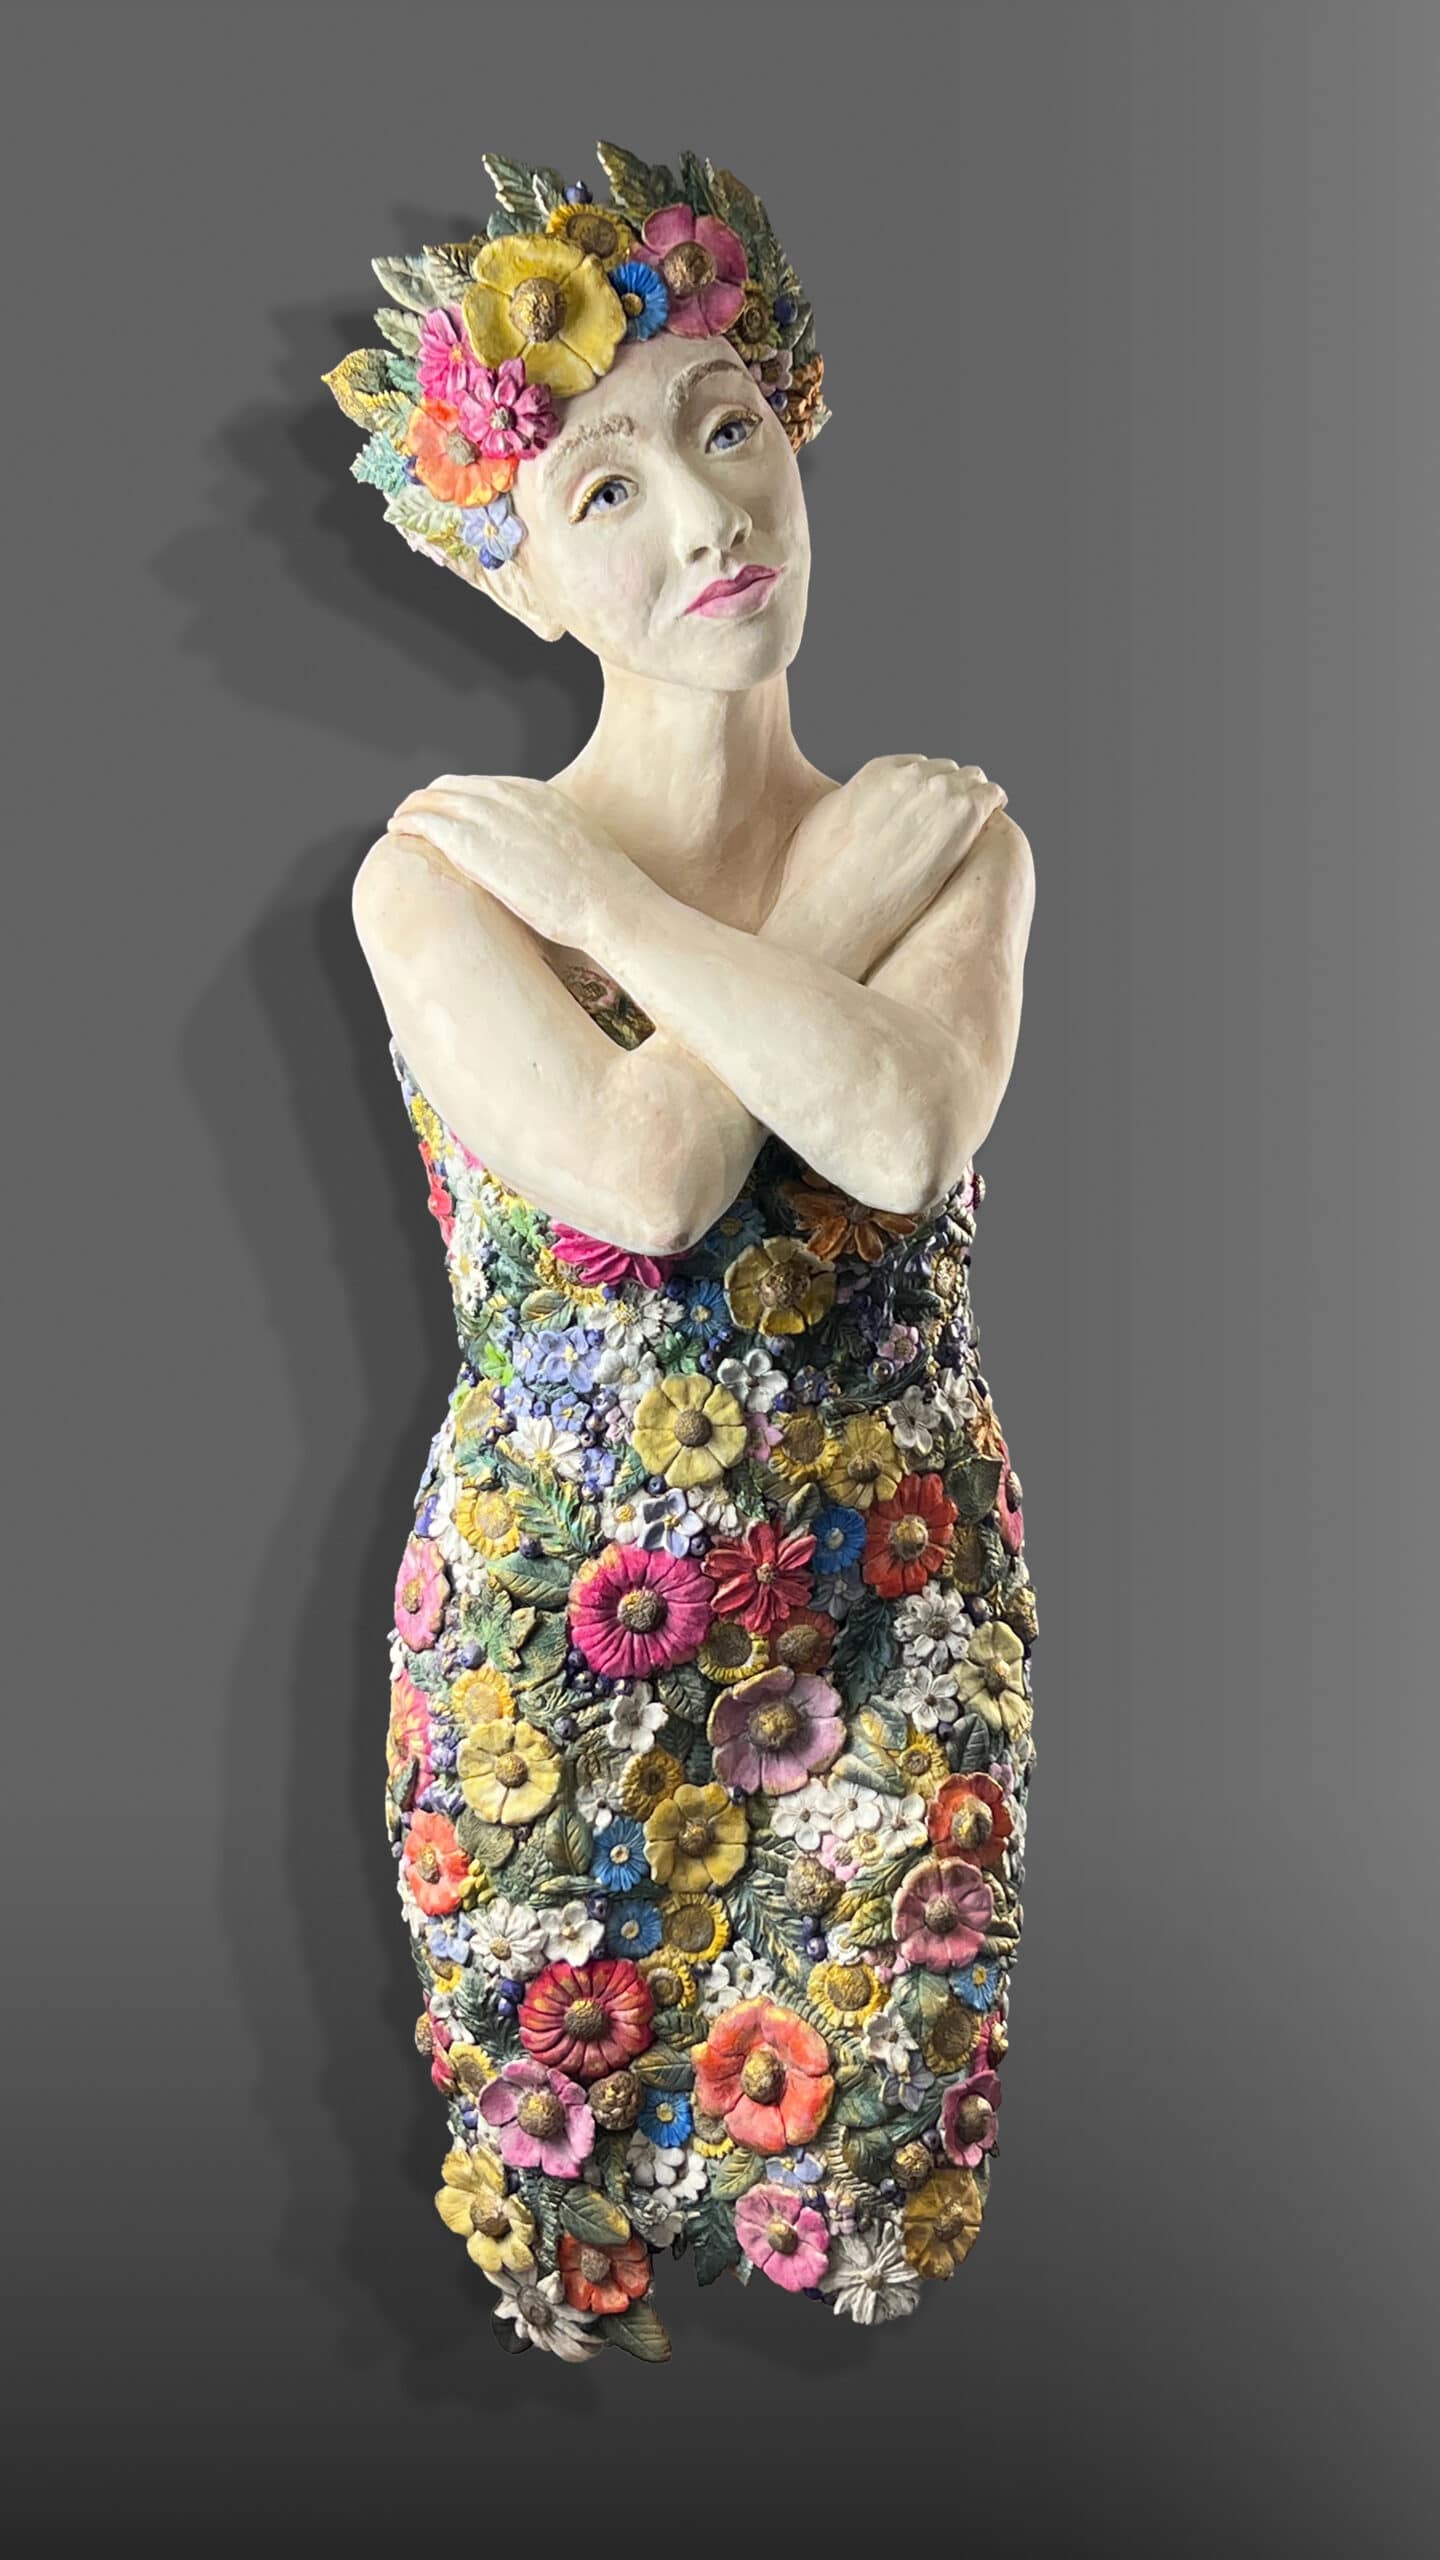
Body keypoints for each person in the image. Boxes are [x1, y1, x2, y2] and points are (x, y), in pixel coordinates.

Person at [327, 142, 1038, 2362]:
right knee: (571, 2183)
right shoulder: (449, 875)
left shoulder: (951, 841)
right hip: (558, 1630)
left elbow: (902, 1128)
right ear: (523, 576)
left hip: (897, 1600)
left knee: (883, 2171)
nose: (711, 515)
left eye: (730, 428)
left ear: (797, 432)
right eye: (609, 487)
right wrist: (746, 916)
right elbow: (642, 1183)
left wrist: (635, 918)